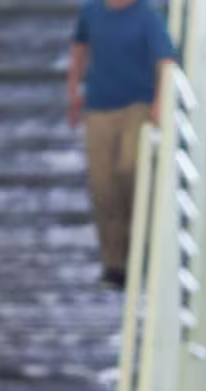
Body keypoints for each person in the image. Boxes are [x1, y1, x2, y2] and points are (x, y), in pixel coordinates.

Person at [67, 0, 176, 288]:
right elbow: (79, 49)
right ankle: (114, 264)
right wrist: (73, 91)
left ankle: (136, 243)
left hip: (136, 106)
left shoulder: (147, 16)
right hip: (98, 107)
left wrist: (159, 104)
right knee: (102, 186)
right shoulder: (91, 12)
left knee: (130, 168)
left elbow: (165, 61)